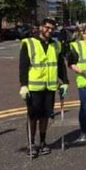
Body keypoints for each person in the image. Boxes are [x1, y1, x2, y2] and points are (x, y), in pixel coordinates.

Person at [19, 18, 69, 157]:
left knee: (45, 116)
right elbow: (23, 67)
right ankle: (31, 144)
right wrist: (23, 85)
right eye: (47, 28)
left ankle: (42, 142)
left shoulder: (56, 45)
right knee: (33, 117)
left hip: (50, 87)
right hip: (34, 88)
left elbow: (60, 65)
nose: (49, 31)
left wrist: (65, 81)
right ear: (41, 27)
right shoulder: (29, 43)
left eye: (52, 29)